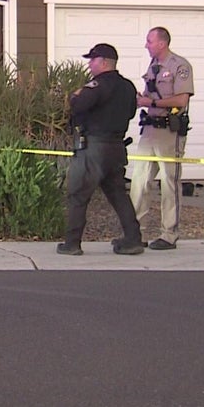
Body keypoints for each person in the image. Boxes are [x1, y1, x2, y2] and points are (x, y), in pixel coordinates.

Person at [57, 43, 145, 256]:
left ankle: (72, 243)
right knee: (118, 195)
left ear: (104, 62)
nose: (89, 64)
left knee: (78, 195)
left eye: (92, 60)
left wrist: (76, 95)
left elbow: (77, 106)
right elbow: (132, 112)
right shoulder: (128, 87)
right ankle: (133, 240)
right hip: (116, 148)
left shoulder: (97, 86)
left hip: (94, 148)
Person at [130, 27, 194, 250]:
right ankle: (135, 231)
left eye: (149, 41)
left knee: (169, 182)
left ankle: (169, 234)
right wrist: (141, 99)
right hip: (149, 130)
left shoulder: (179, 66)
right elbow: (150, 94)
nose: (146, 45)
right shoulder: (153, 66)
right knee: (139, 180)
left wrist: (152, 103)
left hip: (169, 131)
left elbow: (182, 100)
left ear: (161, 43)